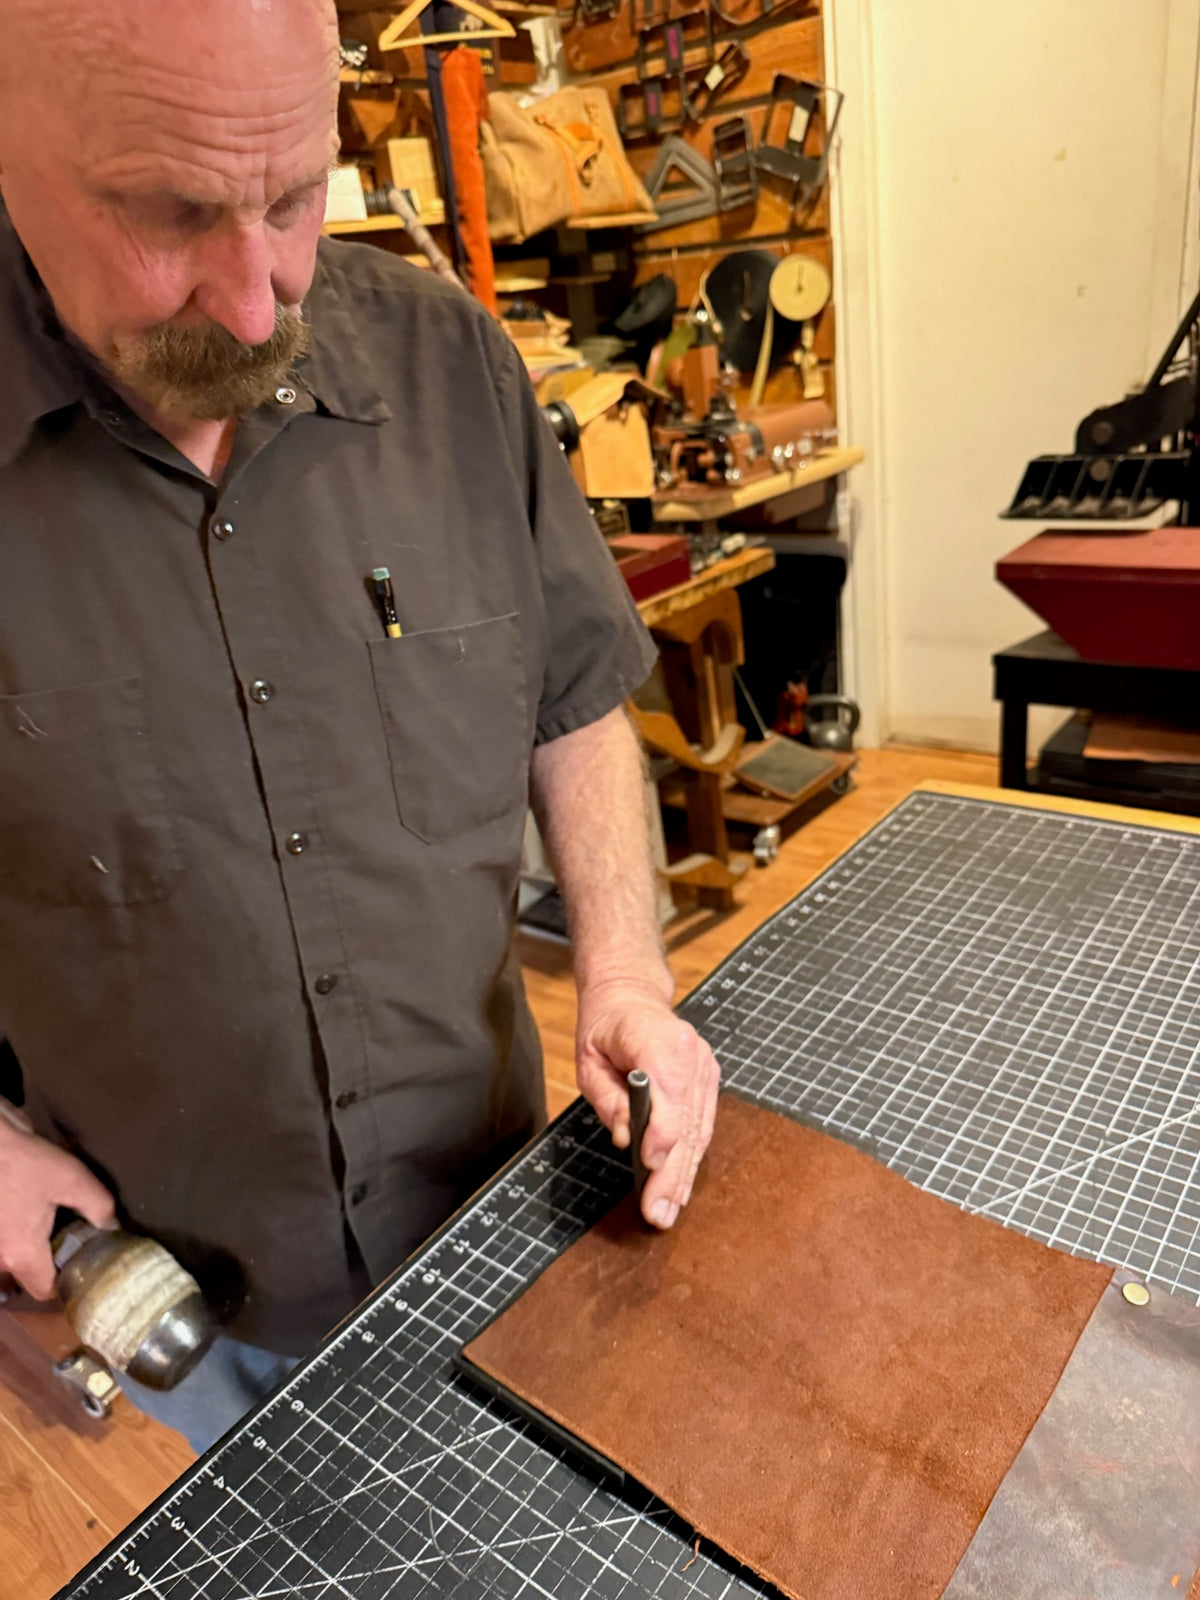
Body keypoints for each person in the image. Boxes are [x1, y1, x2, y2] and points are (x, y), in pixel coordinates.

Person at [0, 0, 720, 1453]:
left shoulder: (446, 364)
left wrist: (629, 972)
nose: (259, 300)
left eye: (290, 196)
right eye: (173, 211)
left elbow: (572, 701)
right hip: (172, 1292)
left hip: (504, 1204)